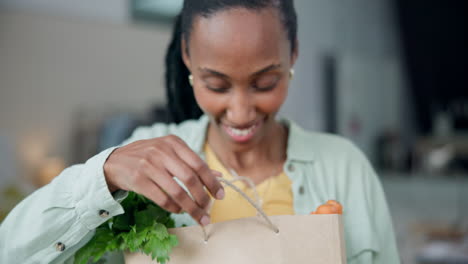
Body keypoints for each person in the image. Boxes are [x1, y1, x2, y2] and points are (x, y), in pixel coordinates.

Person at [0, 0, 400, 263]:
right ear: (188, 58)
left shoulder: (343, 166)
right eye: (217, 85)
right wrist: (100, 176)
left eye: (264, 83)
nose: (241, 112)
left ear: (293, 52)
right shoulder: (142, 163)